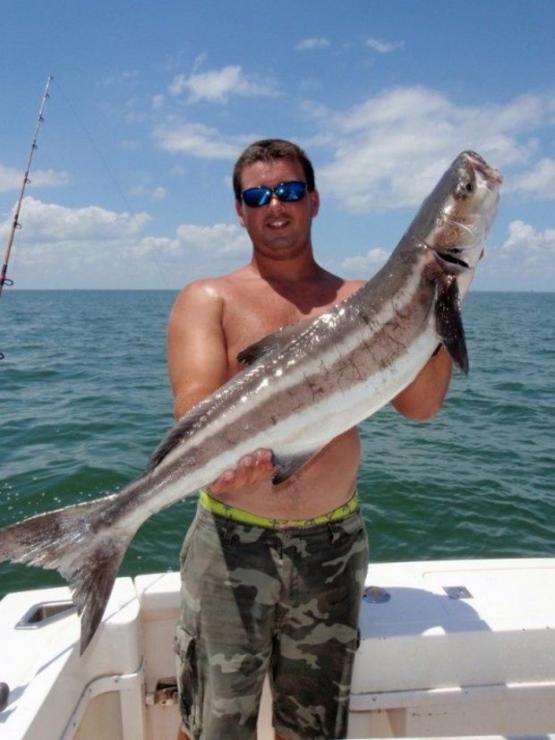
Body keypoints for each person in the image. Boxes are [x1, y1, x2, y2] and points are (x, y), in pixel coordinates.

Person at [168, 139, 452, 740]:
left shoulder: (358, 301)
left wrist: (439, 304)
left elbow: (421, 407)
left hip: (333, 548)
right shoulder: (208, 298)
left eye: (291, 191)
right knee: (213, 728)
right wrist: (224, 458)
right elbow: (194, 406)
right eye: (258, 195)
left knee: (316, 732)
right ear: (239, 210)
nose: (276, 205)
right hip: (229, 550)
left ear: (314, 201)